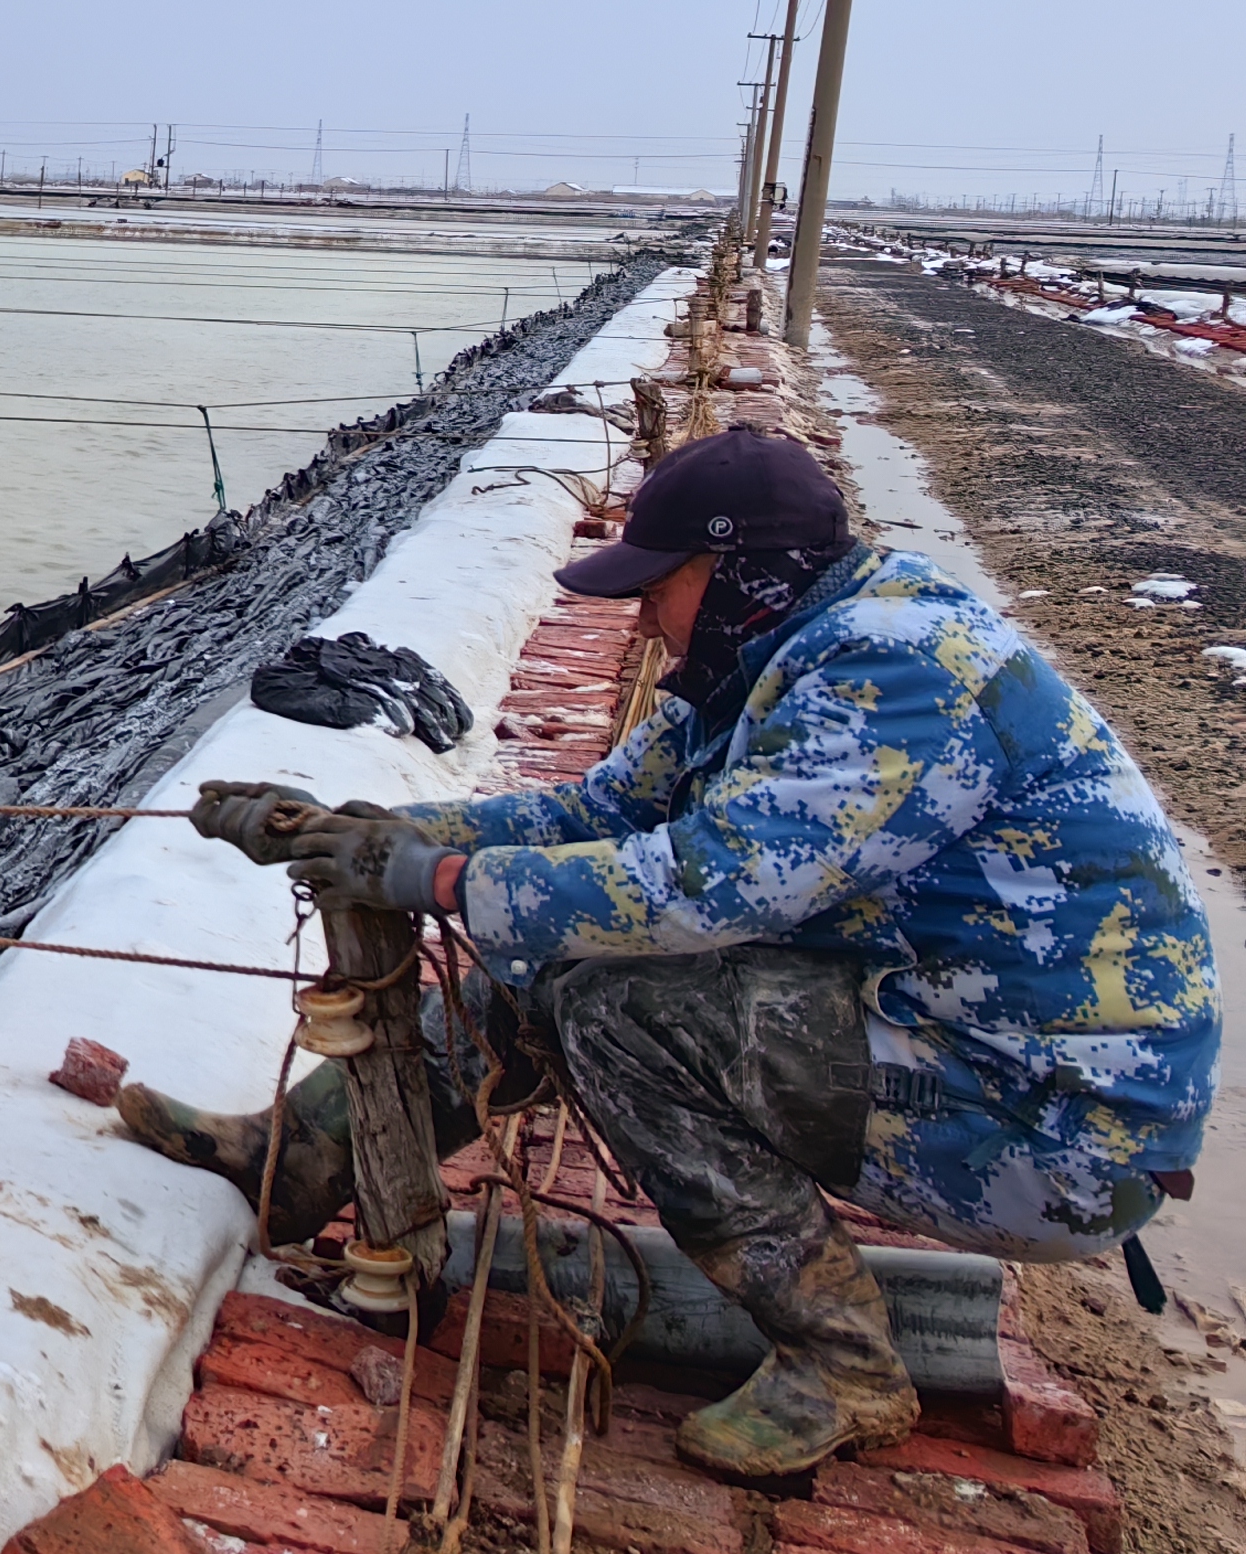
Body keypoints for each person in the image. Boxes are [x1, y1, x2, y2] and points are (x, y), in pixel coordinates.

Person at [123, 424, 1216, 1477]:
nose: (644, 618)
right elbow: (589, 819)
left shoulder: (896, 672)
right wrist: (363, 830)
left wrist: (436, 880)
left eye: (658, 586)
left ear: (739, 574)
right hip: (938, 1033)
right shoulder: (772, 652)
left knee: (615, 1005)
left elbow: (706, 886)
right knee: (558, 938)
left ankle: (840, 1364)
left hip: (1048, 1130)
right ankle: (305, 1158)